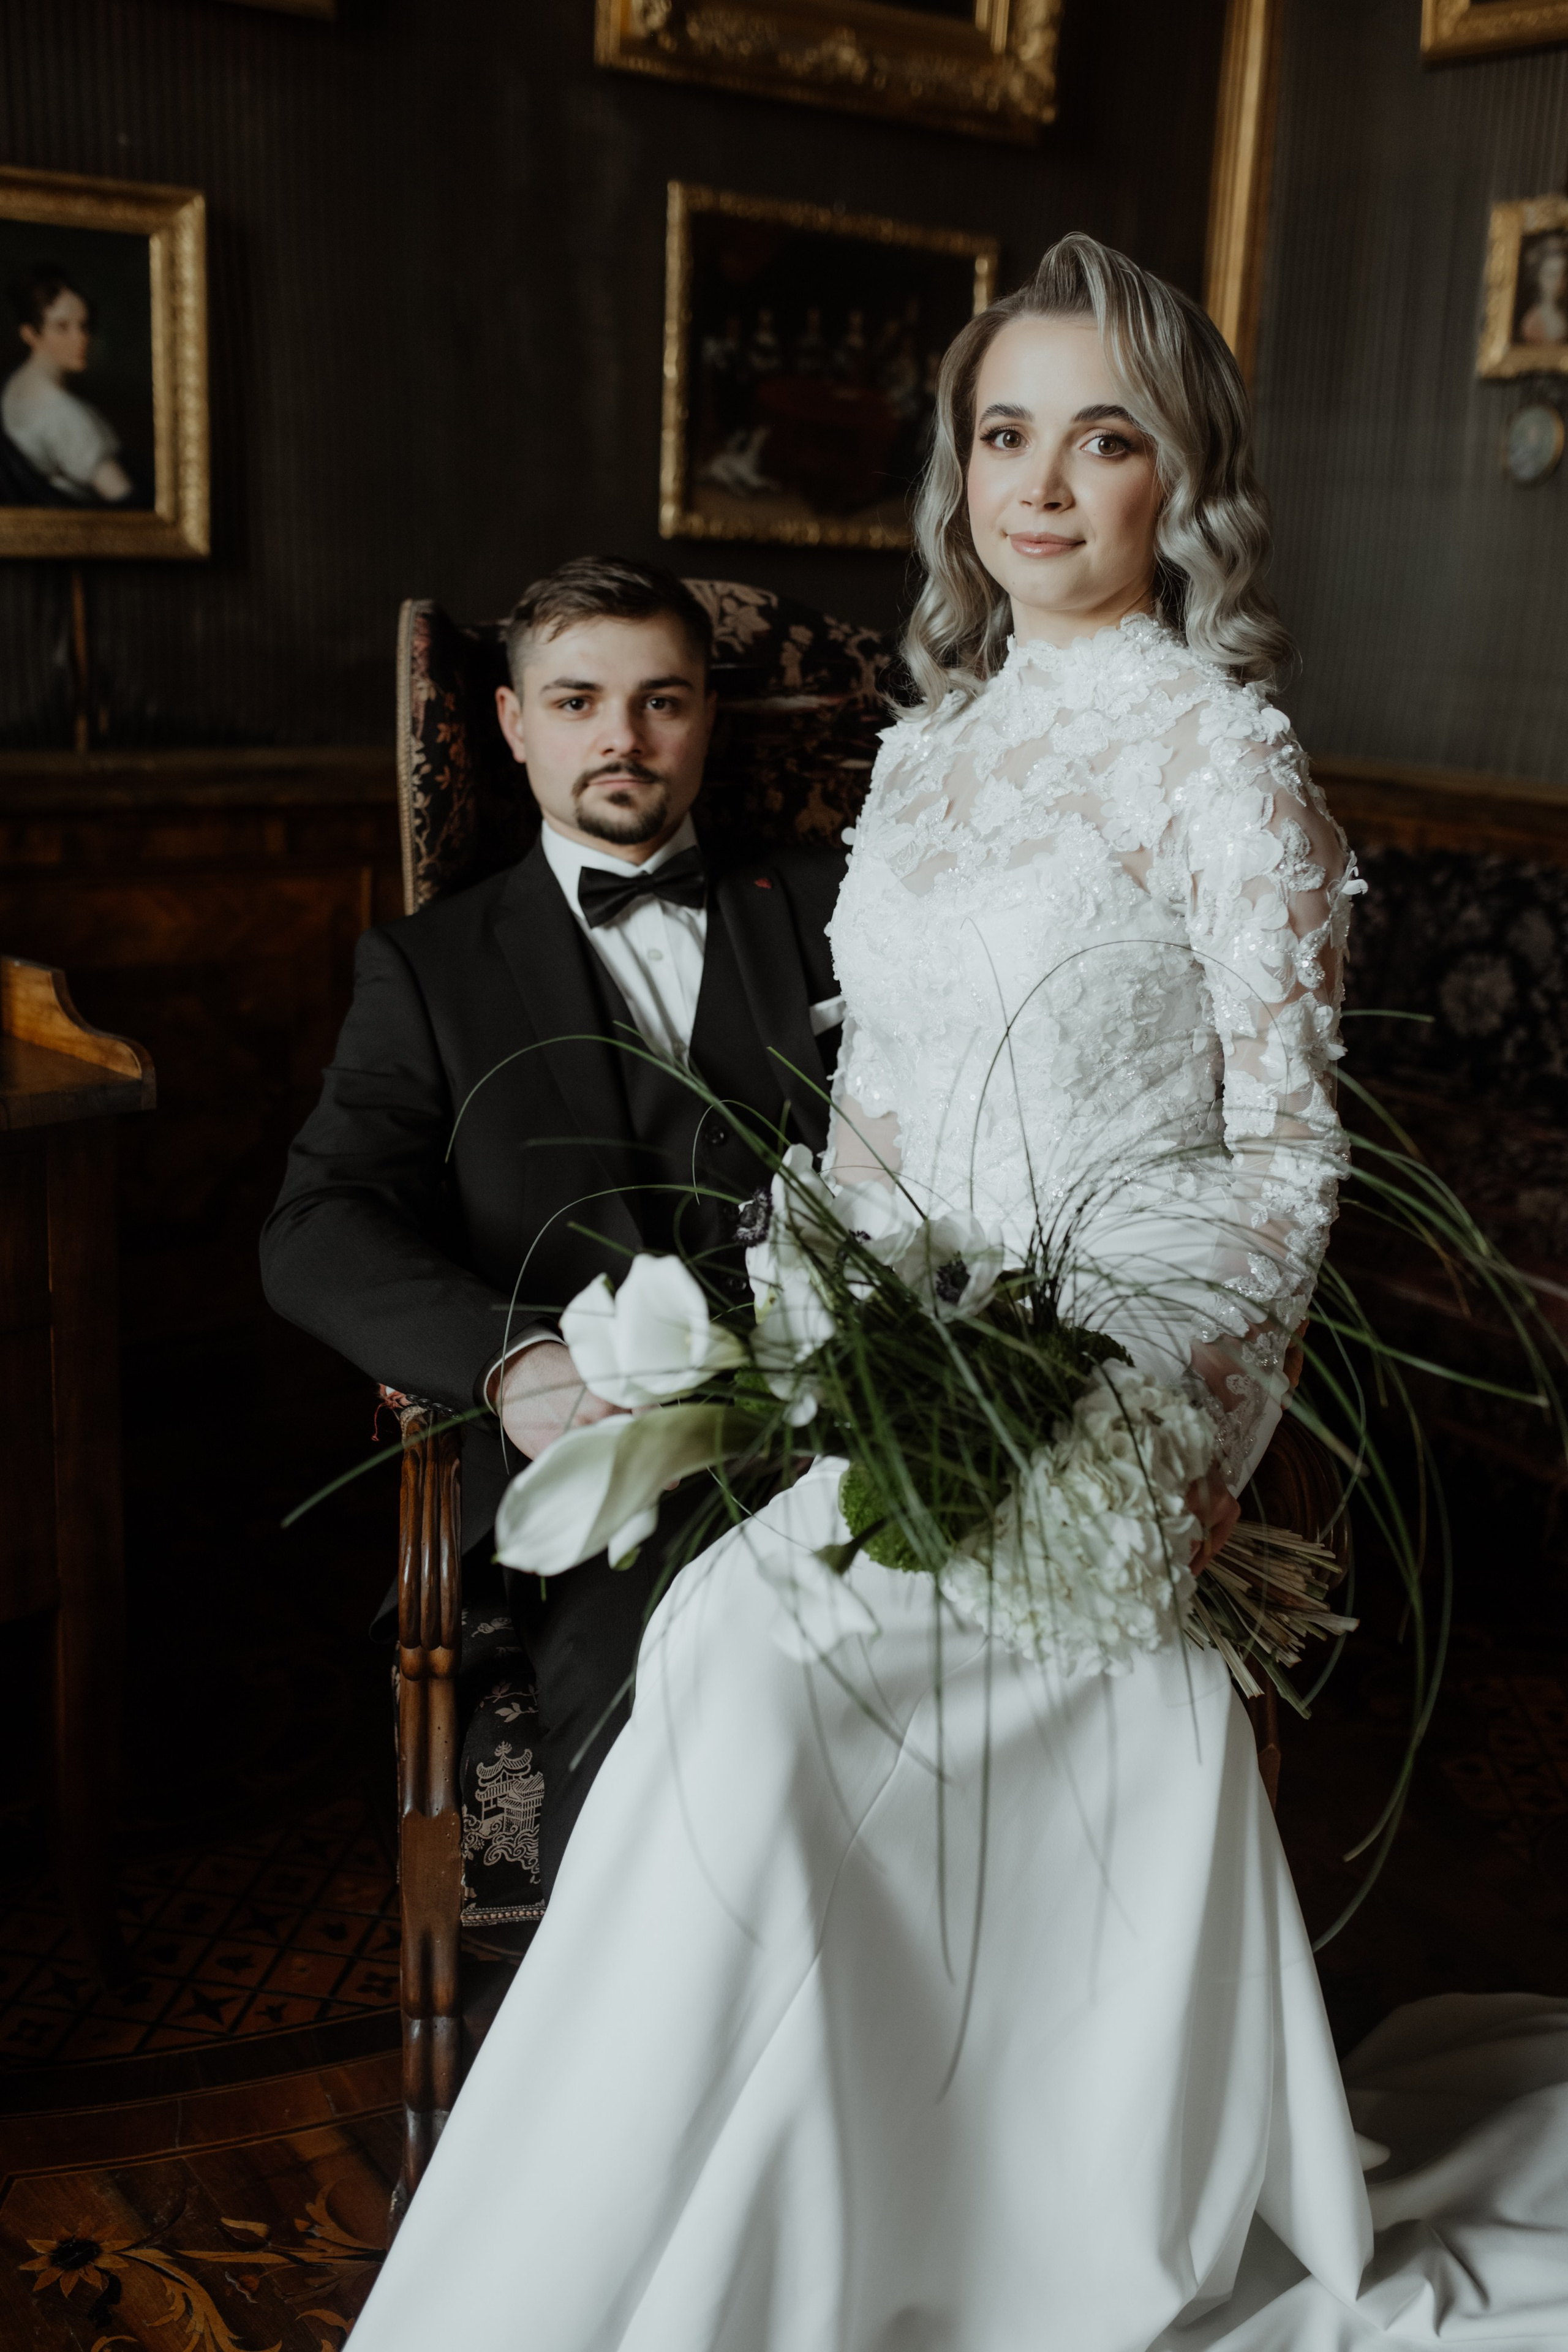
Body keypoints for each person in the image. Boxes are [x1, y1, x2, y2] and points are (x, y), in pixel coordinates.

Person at [350, 240, 1568, 2349]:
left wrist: (1172, 1435)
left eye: (1105, 438)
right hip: (899, 1373)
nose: (1041, 483)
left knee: (759, 1684)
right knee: (729, 1652)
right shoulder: (932, 754)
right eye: (1006, 433)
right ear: (959, 471)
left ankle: (931, 2239)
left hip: (1117, 1403)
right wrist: (813, 1350)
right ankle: (707, 2243)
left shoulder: (1226, 762)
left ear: (1181, 480)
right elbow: (875, 1138)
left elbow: (1284, 1162)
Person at [261, 557, 845, 1901]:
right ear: (514, 724)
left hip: (842, 1437)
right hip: (603, 1481)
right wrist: (512, 1360)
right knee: (684, 1736)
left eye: (661, 702)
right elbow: (314, 1223)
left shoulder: (836, 911)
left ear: (708, 719)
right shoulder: (428, 966)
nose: (622, 739)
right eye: (577, 701)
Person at [2, 263, 134, 505]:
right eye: (62, 327)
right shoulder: (67, 416)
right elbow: (126, 500)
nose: (81, 338)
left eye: (84, 326)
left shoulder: (14, 381)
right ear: (31, 334)